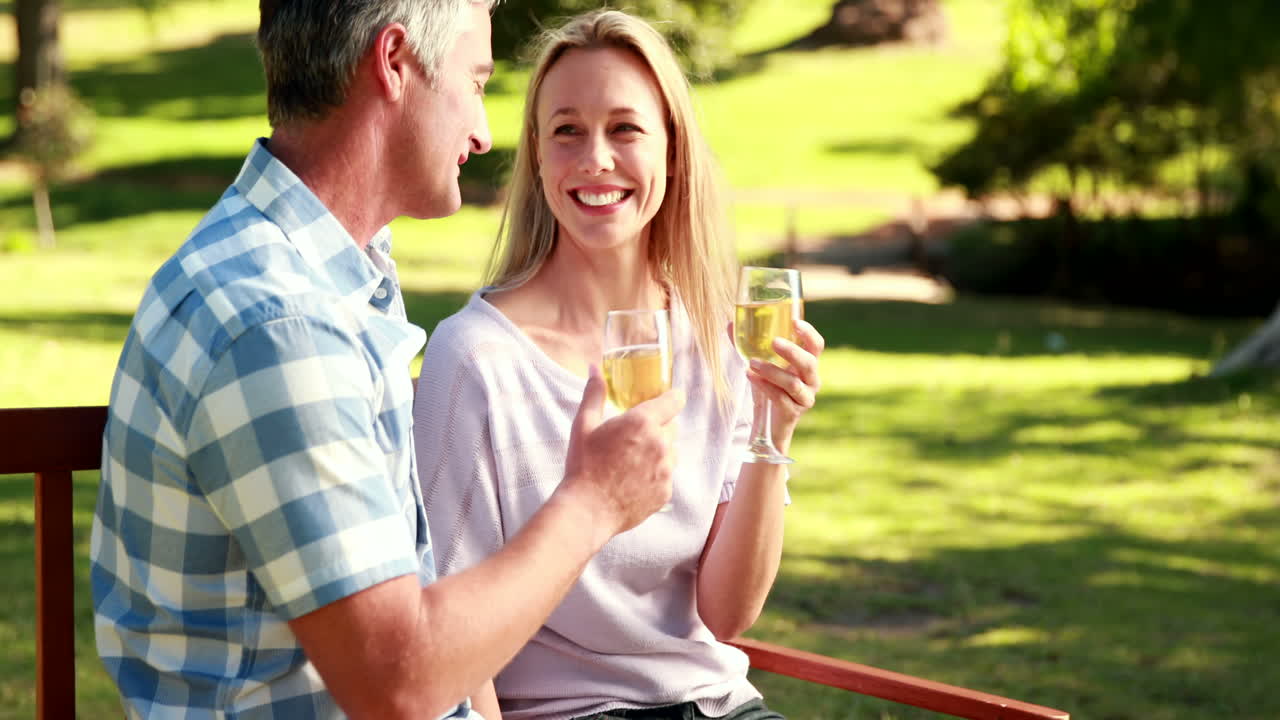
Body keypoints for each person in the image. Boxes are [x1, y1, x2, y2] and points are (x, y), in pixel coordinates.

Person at [89, 2, 685, 718]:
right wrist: (594, 503)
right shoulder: (278, 326)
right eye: (474, 82)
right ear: (395, 62)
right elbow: (397, 684)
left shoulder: (326, 278)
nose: (483, 132)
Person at [412, 10, 825, 720]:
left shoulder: (719, 334)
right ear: (537, 156)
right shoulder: (476, 357)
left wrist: (772, 430)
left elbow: (727, 615)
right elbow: (451, 630)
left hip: (718, 702)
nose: (595, 158)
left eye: (626, 128)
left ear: (674, 152)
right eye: (567, 130)